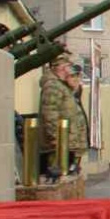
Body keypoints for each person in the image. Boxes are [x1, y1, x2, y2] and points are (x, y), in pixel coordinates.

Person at [38, 51, 88, 179]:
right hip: (60, 146)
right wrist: (58, 140)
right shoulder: (53, 86)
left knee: (70, 177)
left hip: (68, 144)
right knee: (59, 177)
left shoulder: (62, 86)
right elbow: (50, 115)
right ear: (59, 68)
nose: (69, 70)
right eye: (67, 66)